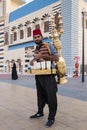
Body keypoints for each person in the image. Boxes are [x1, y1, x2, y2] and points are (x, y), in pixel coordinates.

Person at [29, 29, 59, 127]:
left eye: (38, 36)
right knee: (40, 95)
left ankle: (51, 118)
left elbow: (56, 57)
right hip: (39, 75)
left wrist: (44, 56)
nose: (37, 38)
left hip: (48, 75)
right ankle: (40, 112)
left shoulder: (48, 45)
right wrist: (33, 60)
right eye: (35, 37)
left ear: (41, 37)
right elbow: (37, 58)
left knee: (51, 96)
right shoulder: (36, 47)